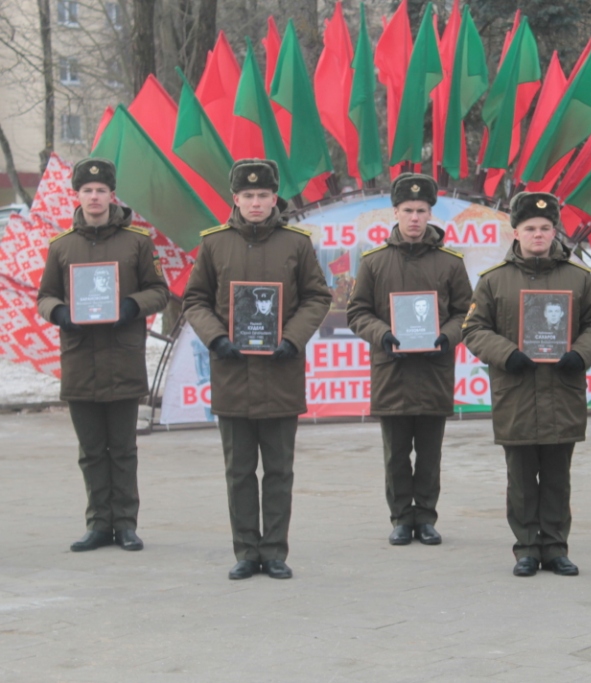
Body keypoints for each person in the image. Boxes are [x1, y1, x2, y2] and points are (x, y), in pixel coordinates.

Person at [183, 159, 331, 580]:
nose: (255, 203)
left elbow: (317, 297)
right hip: (233, 374)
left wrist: (293, 338)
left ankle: (275, 551)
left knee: (279, 470)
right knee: (239, 471)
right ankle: (246, 551)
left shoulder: (296, 243)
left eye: (263, 195)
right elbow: (195, 300)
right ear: (235, 198)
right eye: (247, 195)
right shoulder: (214, 244)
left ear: (274, 198)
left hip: (280, 374)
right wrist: (216, 338)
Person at [463, 192, 591, 577]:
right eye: (530, 228)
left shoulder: (579, 278)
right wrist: (506, 353)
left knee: (558, 478)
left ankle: (557, 548)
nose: (538, 235)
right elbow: (474, 329)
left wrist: (581, 354)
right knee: (522, 480)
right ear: (516, 232)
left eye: (545, 228)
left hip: (561, 391)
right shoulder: (494, 280)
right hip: (517, 393)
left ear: (554, 230)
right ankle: (527, 548)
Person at [37, 157, 170, 552]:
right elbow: (45, 296)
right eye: (87, 190)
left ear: (112, 195)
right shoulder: (61, 247)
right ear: (76, 195)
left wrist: (131, 305)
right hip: (80, 361)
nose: (94, 197)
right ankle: (98, 524)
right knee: (92, 451)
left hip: (122, 359)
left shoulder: (138, 242)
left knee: (123, 450)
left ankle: (126, 524)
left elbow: (159, 291)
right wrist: (60, 313)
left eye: (101, 190)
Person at [347, 173, 472, 546]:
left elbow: (466, 313)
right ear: (395, 212)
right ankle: (402, 517)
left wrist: (446, 336)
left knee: (430, 454)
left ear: (430, 213)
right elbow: (357, 312)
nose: (414, 218)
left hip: (434, 371)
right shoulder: (374, 262)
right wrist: (383, 334)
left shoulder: (450, 263)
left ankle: (427, 517)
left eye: (421, 210)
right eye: (407, 210)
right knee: (396, 454)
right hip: (393, 372)